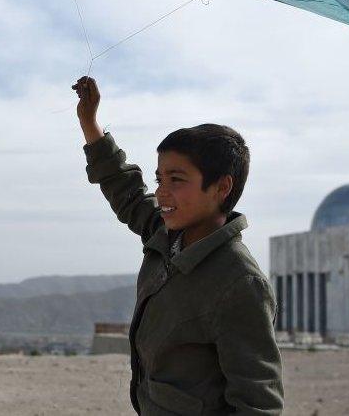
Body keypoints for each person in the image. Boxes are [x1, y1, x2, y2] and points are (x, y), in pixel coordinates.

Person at [73, 77, 283, 415]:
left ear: (221, 187)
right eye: (160, 179)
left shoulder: (240, 284)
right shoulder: (169, 234)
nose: (161, 192)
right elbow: (124, 187)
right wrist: (89, 122)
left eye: (177, 180)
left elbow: (257, 402)